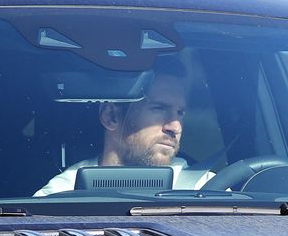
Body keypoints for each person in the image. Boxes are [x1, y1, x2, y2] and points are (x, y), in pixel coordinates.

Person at [34, 57, 215, 196]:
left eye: (180, 113)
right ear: (111, 116)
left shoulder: (205, 189)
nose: (175, 126)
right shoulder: (60, 198)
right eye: (159, 108)